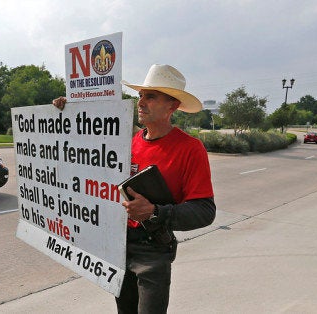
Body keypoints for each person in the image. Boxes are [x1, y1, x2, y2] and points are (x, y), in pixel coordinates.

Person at [53, 64, 216, 313]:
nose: (141, 102)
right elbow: (84, 146)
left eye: (150, 96)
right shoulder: (128, 140)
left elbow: (205, 211)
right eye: (140, 95)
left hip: (153, 251)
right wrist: (69, 112)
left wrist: (154, 212)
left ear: (172, 106)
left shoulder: (190, 149)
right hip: (118, 245)